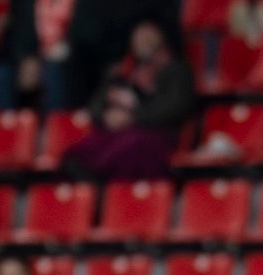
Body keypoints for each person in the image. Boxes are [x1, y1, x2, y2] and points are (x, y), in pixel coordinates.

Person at [64, 19, 194, 179]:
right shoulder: (123, 71)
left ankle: (103, 194)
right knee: (79, 153)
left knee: (126, 149)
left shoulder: (176, 70)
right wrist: (107, 116)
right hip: (116, 132)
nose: (143, 39)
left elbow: (173, 108)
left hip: (154, 133)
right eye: (139, 34)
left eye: (148, 35)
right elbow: (95, 106)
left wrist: (132, 117)